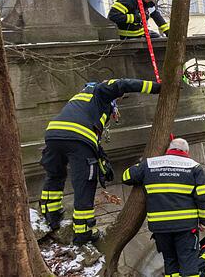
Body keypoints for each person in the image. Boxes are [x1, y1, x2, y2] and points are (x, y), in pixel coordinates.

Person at [39, 78, 161, 245]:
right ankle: (83, 232)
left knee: (55, 175)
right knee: (85, 182)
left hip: (53, 135)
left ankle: (51, 217)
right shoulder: (99, 90)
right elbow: (122, 84)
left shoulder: (79, 99)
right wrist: (158, 88)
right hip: (78, 138)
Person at [122, 138, 205, 277]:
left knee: (170, 262)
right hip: (186, 226)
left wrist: (141, 164)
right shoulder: (194, 167)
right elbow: (203, 196)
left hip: (160, 227)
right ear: (186, 151)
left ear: (168, 149)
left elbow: (126, 176)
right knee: (188, 264)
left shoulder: (150, 164)